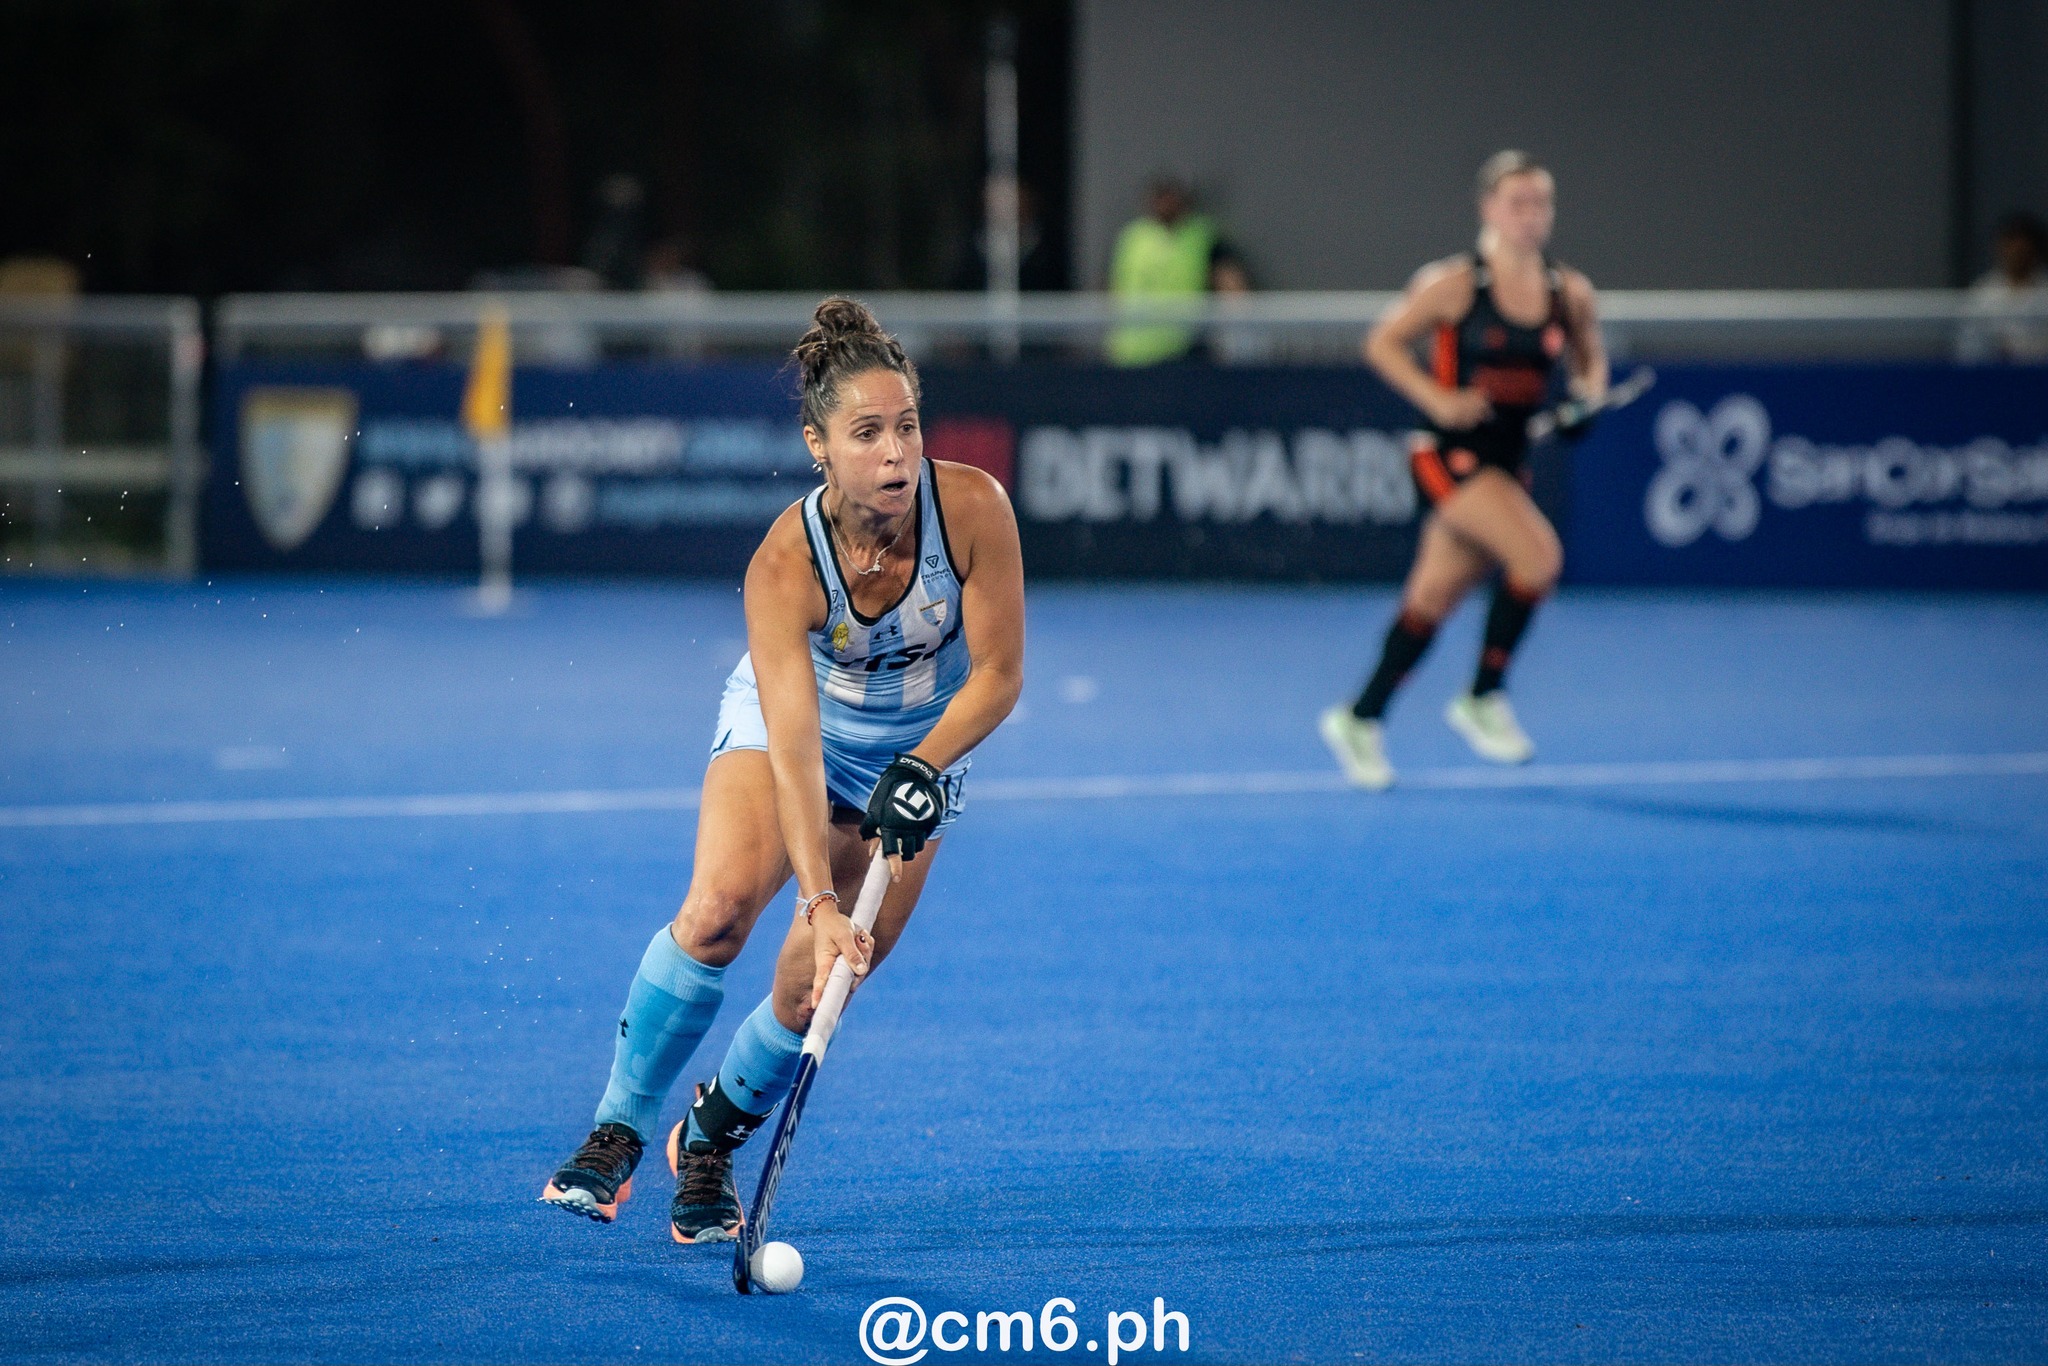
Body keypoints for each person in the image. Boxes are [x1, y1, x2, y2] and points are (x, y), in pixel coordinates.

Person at [540, 298, 1026, 1242]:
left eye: (909, 426)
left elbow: (1001, 674)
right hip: (795, 730)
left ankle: (711, 1137)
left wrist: (921, 764)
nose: (896, 455)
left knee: (823, 985)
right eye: (868, 433)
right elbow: (795, 748)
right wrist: (817, 898)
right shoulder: (782, 563)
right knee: (720, 912)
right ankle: (618, 1130)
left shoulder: (973, 511)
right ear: (818, 444)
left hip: (922, 743)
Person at [1320, 151, 1606, 789]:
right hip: (1449, 456)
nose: (1529, 217)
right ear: (1489, 210)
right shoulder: (1455, 285)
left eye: (1540, 204)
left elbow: (1591, 362)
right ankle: (1483, 695)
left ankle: (1359, 718)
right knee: (1538, 560)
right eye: (1516, 203)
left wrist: (1585, 401)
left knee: (1432, 598)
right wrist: (1439, 399)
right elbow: (1381, 342)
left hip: (1507, 461)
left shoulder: (1568, 292)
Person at [1105, 175, 1220, 366]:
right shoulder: (1132, 237)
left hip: (1184, 351)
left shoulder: (1202, 236)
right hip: (1131, 354)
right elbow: (1114, 289)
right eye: (1159, 197)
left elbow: (1229, 285)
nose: (1164, 203)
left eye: (1170, 197)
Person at [1956, 211, 2048, 364]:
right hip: (1994, 378)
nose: (2017, 251)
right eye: (2011, 244)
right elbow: (1968, 349)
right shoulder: (1983, 293)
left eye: (2023, 245)